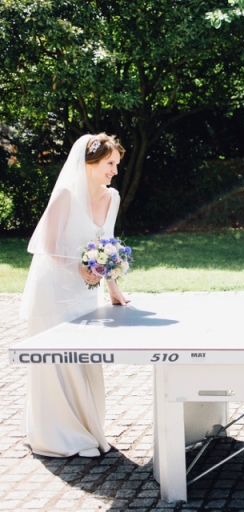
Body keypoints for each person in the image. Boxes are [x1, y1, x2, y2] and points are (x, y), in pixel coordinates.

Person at [20, 133, 130, 458]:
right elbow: (49, 246)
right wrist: (79, 271)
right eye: (110, 164)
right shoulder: (66, 195)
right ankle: (61, 437)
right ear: (90, 163)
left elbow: (107, 245)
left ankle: (87, 430)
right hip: (53, 291)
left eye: (116, 165)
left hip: (85, 294)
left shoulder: (113, 198)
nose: (114, 171)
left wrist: (114, 290)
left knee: (84, 362)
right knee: (57, 364)